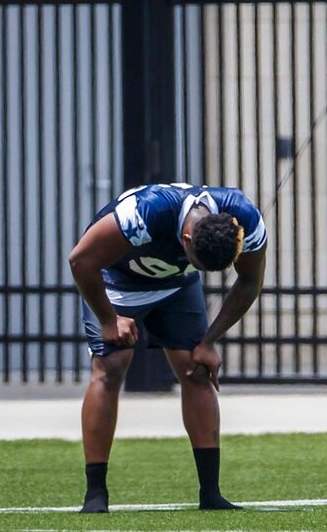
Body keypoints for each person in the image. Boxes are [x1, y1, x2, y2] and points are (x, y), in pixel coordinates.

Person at [68, 182, 266, 513]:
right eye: (199, 263)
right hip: (117, 282)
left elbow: (250, 281)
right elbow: (80, 260)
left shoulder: (243, 218)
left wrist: (209, 341)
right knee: (111, 367)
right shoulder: (146, 213)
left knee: (196, 369)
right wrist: (108, 320)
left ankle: (211, 494)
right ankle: (96, 493)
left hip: (176, 285)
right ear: (186, 239)